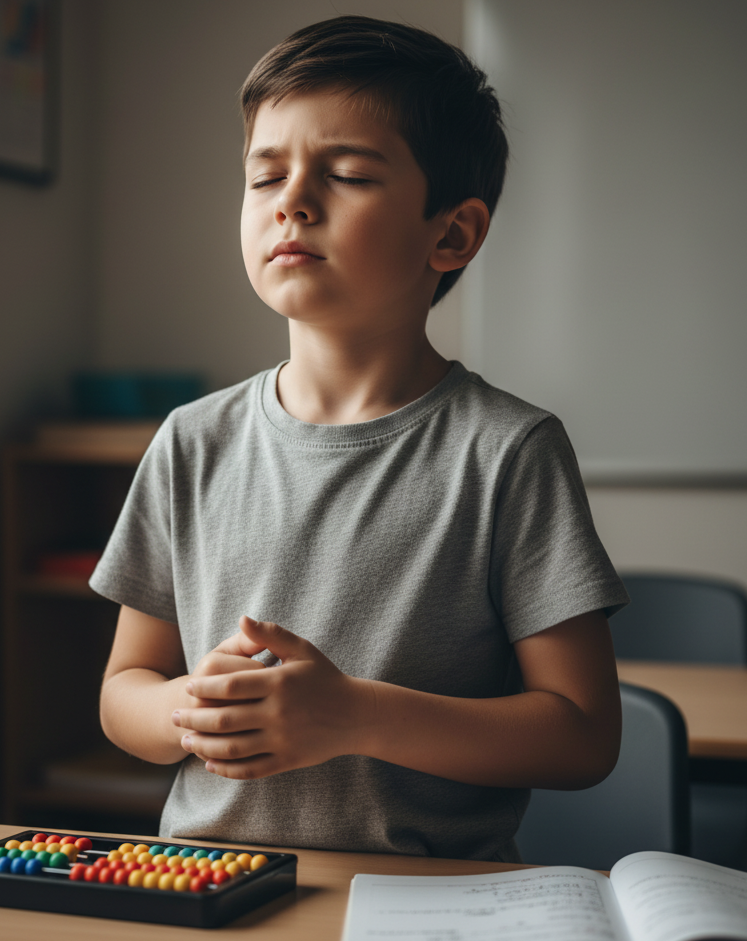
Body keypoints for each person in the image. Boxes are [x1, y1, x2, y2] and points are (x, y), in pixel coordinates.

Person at [92, 15, 629, 863]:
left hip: (430, 901)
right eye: (265, 175)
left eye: (343, 174)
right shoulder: (190, 440)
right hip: (207, 886)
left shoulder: (509, 451)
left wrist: (354, 715)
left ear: (451, 233)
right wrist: (187, 709)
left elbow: (582, 735)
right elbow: (126, 691)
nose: (292, 201)